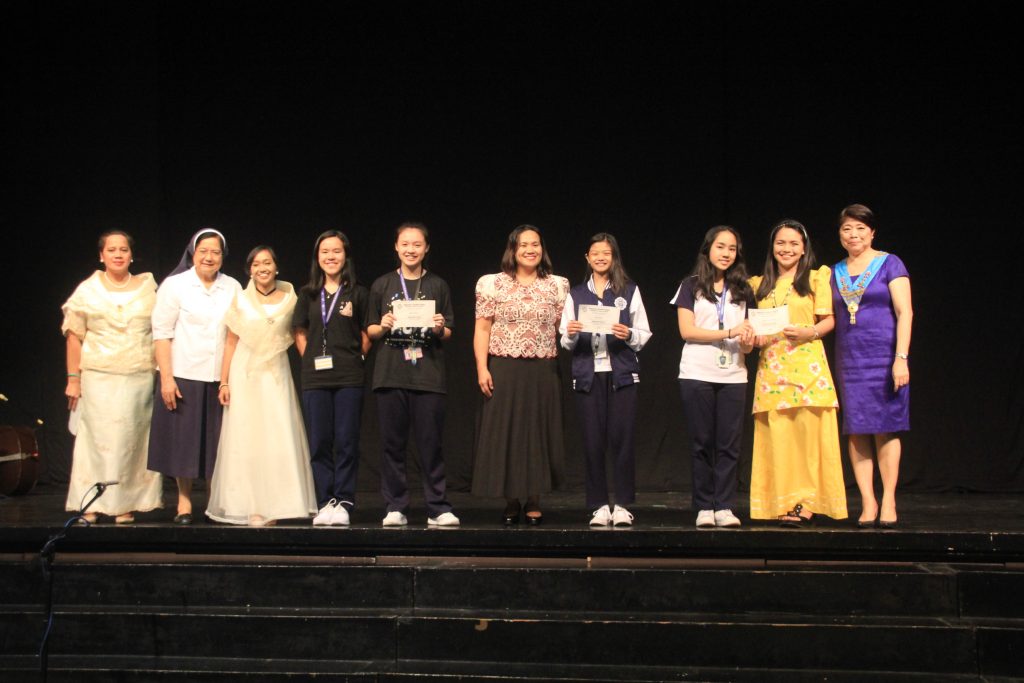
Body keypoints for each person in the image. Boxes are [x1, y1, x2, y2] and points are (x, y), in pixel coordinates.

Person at [206, 246, 317, 526]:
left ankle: (278, 504)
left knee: (277, 433)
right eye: (256, 264)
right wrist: (224, 381)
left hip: (276, 372)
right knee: (247, 436)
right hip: (245, 372)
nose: (262, 268)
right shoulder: (241, 299)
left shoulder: (290, 297)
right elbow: (231, 342)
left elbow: (299, 332)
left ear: (276, 267)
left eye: (267, 263)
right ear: (249, 270)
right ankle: (251, 505)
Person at [749, 219, 847, 527]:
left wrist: (810, 332)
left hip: (808, 369)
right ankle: (782, 502)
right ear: (772, 248)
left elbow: (828, 319)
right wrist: (754, 338)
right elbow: (751, 325)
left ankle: (807, 502)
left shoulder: (817, 278)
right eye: (781, 243)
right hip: (772, 370)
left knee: (808, 441)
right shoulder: (757, 284)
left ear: (804, 248)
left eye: (794, 243)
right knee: (780, 441)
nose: (787, 249)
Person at [61, 230, 162, 524]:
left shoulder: (148, 289)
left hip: (137, 376)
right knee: (96, 440)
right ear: (101, 255)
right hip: (98, 376)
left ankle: (124, 503)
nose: (118, 254)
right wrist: (73, 379)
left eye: (123, 249)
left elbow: (162, 332)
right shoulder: (87, 290)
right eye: (111, 249)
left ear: (131, 255)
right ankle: (90, 501)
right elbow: (74, 336)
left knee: (131, 440)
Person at [473, 225, 570, 525]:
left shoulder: (557, 285)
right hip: (505, 366)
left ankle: (534, 498)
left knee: (538, 432)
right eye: (524, 245)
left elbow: (563, 330)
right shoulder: (492, 283)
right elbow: (482, 328)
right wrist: (482, 367)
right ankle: (512, 499)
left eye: (535, 244)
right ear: (513, 250)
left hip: (543, 368)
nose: (530, 250)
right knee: (508, 432)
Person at [366, 222, 459, 527]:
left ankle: (438, 507)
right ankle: (396, 506)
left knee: (431, 445)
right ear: (396, 247)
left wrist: (439, 327)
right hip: (390, 374)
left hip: (428, 375)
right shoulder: (382, 284)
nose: (411, 250)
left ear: (426, 248)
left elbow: (448, 331)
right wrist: (383, 325)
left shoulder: (438, 285)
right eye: (405, 244)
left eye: (417, 244)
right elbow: (370, 330)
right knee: (392, 445)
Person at [148, 228, 241, 525]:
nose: (209, 257)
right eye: (203, 251)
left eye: (215, 252)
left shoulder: (233, 287)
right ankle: (184, 502)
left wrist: (228, 378)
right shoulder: (175, 285)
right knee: (183, 443)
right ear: (193, 253)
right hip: (183, 374)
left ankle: (215, 500)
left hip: (219, 376)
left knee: (217, 443)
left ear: (223, 256)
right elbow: (161, 334)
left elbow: (237, 334)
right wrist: (166, 378)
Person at [559, 233, 651, 527]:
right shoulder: (576, 294)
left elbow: (644, 333)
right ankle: (599, 505)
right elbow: (565, 340)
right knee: (592, 441)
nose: (600, 257)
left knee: (623, 439)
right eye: (595, 253)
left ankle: (622, 504)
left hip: (621, 373)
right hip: (588, 374)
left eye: (606, 253)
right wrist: (571, 333)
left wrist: (629, 334)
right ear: (587, 258)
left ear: (614, 257)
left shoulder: (629, 290)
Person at [831, 204, 912, 528]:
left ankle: (889, 497)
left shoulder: (889, 263)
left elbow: (905, 312)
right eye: (847, 228)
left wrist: (901, 358)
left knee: (884, 426)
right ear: (840, 234)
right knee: (856, 427)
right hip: (849, 359)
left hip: (884, 356)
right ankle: (868, 499)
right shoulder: (833, 271)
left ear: (872, 232)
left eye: (860, 228)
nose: (854, 234)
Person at [671, 226, 755, 529]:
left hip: (734, 374)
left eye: (732, 248)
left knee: (730, 444)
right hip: (697, 372)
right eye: (721, 247)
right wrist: (729, 331)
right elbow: (687, 331)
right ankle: (704, 506)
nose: (726, 253)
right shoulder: (691, 285)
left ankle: (725, 505)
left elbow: (747, 341)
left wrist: (747, 340)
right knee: (702, 442)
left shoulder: (744, 289)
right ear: (708, 250)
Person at [293, 230, 370, 526]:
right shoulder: (308, 294)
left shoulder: (358, 293)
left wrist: (356, 357)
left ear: (345, 256)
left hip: (349, 377)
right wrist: (310, 358)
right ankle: (325, 502)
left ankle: (344, 501)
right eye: (325, 251)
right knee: (320, 442)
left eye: (336, 251)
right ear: (317, 257)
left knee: (347, 441)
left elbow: (366, 332)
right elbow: (299, 331)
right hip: (315, 378)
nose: (331, 257)